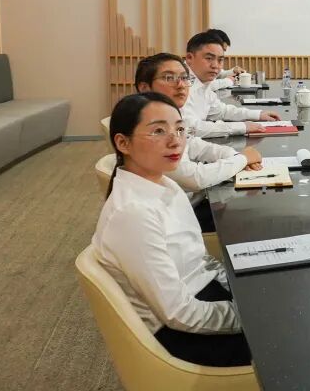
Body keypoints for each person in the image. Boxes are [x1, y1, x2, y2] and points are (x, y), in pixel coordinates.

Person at [92, 92, 251, 367]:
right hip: (185, 335)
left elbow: (199, 260)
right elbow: (179, 313)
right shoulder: (133, 213)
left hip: (204, 297)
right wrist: (250, 316)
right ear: (123, 143)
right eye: (158, 131)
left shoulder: (164, 183)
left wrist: (239, 291)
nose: (175, 140)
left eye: (179, 129)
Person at [135, 53, 263, 231]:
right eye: (169, 78)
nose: (180, 85)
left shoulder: (169, 115)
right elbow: (194, 178)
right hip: (172, 220)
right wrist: (242, 159)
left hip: (187, 203)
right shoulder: (147, 127)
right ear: (144, 87)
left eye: (184, 78)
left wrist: (233, 154)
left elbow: (194, 145)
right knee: (252, 220)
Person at [182, 31, 278, 138]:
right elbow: (190, 129)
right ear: (189, 58)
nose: (215, 66)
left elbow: (221, 111)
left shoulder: (203, 83)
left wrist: (258, 114)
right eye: (209, 58)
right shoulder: (179, 84)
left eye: (220, 60)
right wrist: (242, 127)